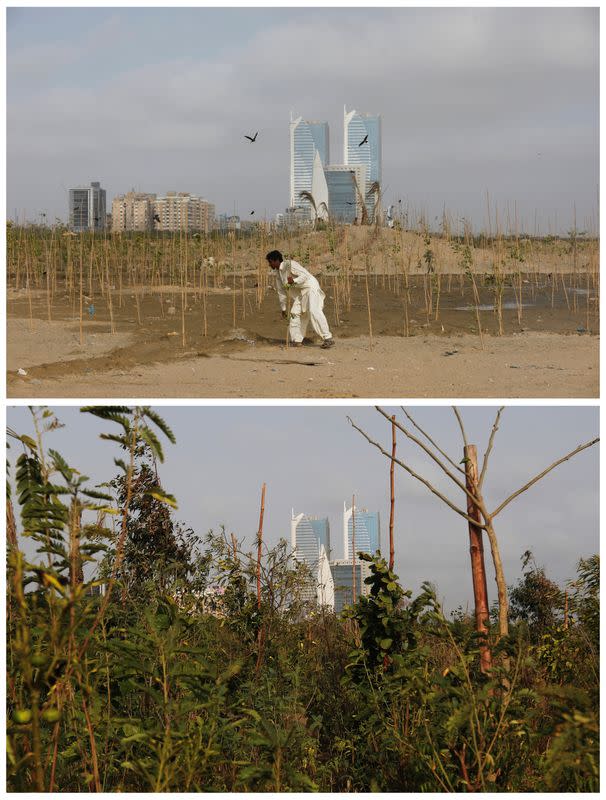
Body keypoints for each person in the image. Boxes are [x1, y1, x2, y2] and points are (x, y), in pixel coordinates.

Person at [266, 250, 335, 348]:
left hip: (311, 287)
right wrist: (283, 308)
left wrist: (293, 281)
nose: (269, 264)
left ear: (276, 260)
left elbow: (305, 276)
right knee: (294, 314)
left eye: (270, 262)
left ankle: (328, 338)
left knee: (314, 311)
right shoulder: (278, 274)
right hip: (301, 293)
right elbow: (281, 292)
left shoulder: (290, 264)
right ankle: (296, 341)